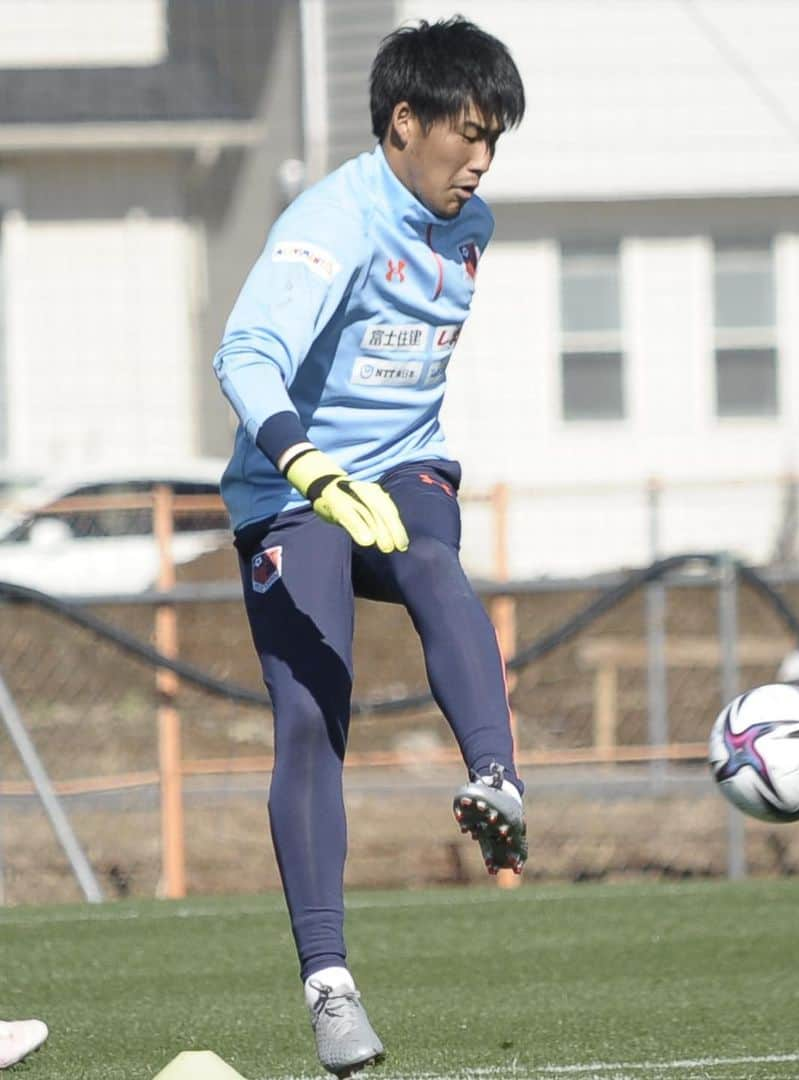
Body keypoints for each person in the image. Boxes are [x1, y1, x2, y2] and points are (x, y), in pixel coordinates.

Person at [212, 17, 527, 1078]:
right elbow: (245, 353)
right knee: (313, 713)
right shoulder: (329, 220)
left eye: (494, 140)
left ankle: (498, 780)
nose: (480, 160)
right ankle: (330, 986)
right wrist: (311, 469)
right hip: (296, 491)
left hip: (401, 474)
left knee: (437, 562)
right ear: (405, 122)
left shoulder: (469, 222)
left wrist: (375, 472)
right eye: (468, 135)